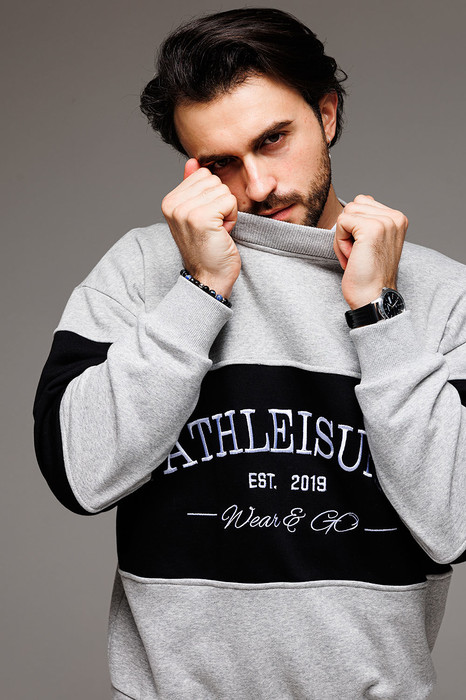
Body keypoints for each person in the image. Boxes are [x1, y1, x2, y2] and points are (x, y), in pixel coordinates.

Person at [33, 7, 466, 699]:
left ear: (327, 113)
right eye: (222, 163)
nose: (259, 185)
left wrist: (379, 311)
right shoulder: (142, 269)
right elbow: (79, 478)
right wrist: (200, 289)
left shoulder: (442, 294)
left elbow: (455, 528)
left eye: (274, 139)